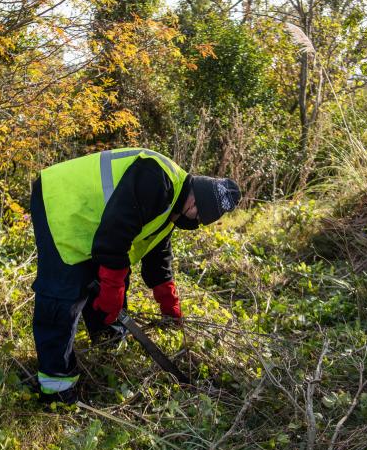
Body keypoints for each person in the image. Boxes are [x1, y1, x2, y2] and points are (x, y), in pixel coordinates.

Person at [29, 148, 241, 405]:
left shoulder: (172, 205)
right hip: (62, 201)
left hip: (93, 221)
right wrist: (111, 288)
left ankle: (106, 340)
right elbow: (114, 238)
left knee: (107, 279)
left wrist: (168, 304)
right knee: (63, 292)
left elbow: (157, 254)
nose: (195, 221)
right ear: (195, 202)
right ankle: (56, 389)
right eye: (199, 215)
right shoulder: (157, 178)